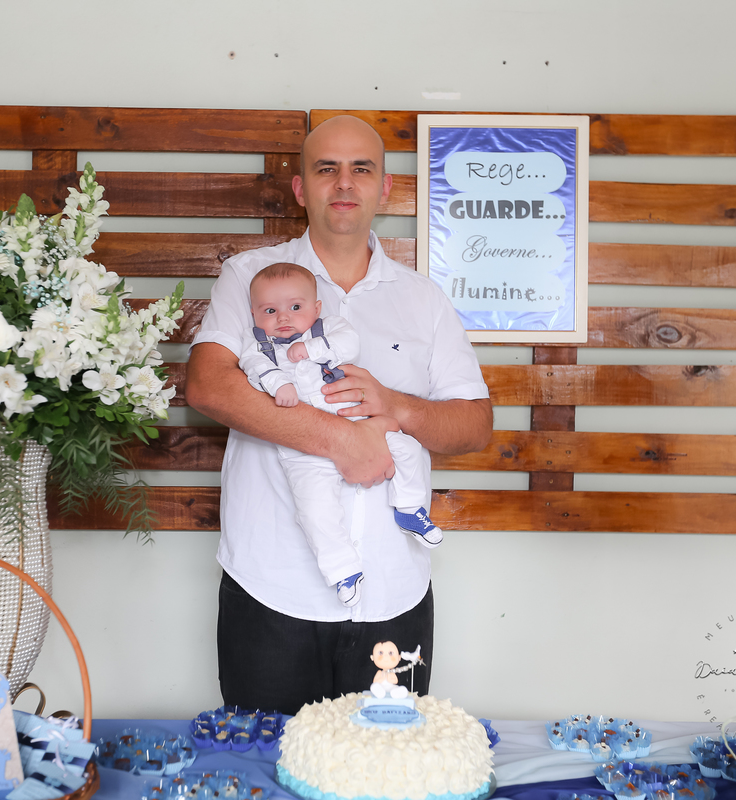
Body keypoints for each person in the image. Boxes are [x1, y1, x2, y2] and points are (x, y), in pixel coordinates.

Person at [186, 114, 491, 715]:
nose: (345, 182)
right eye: (327, 169)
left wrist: (396, 405)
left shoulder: (424, 299)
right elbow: (209, 385)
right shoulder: (249, 276)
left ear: (385, 187)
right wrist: (340, 440)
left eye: (362, 169)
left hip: (394, 592)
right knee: (265, 760)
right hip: (271, 584)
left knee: (384, 762)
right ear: (301, 188)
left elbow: (475, 425)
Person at [240, 262, 445, 608]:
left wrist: (311, 350)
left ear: (316, 307)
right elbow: (252, 366)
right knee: (314, 510)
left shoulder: (328, 328)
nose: (284, 317)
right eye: (270, 311)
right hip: (301, 448)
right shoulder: (257, 344)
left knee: (406, 448)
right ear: (254, 314)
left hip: (358, 422)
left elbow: (349, 344)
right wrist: (278, 383)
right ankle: (342, 570)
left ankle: (409, 507)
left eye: (295, 307)